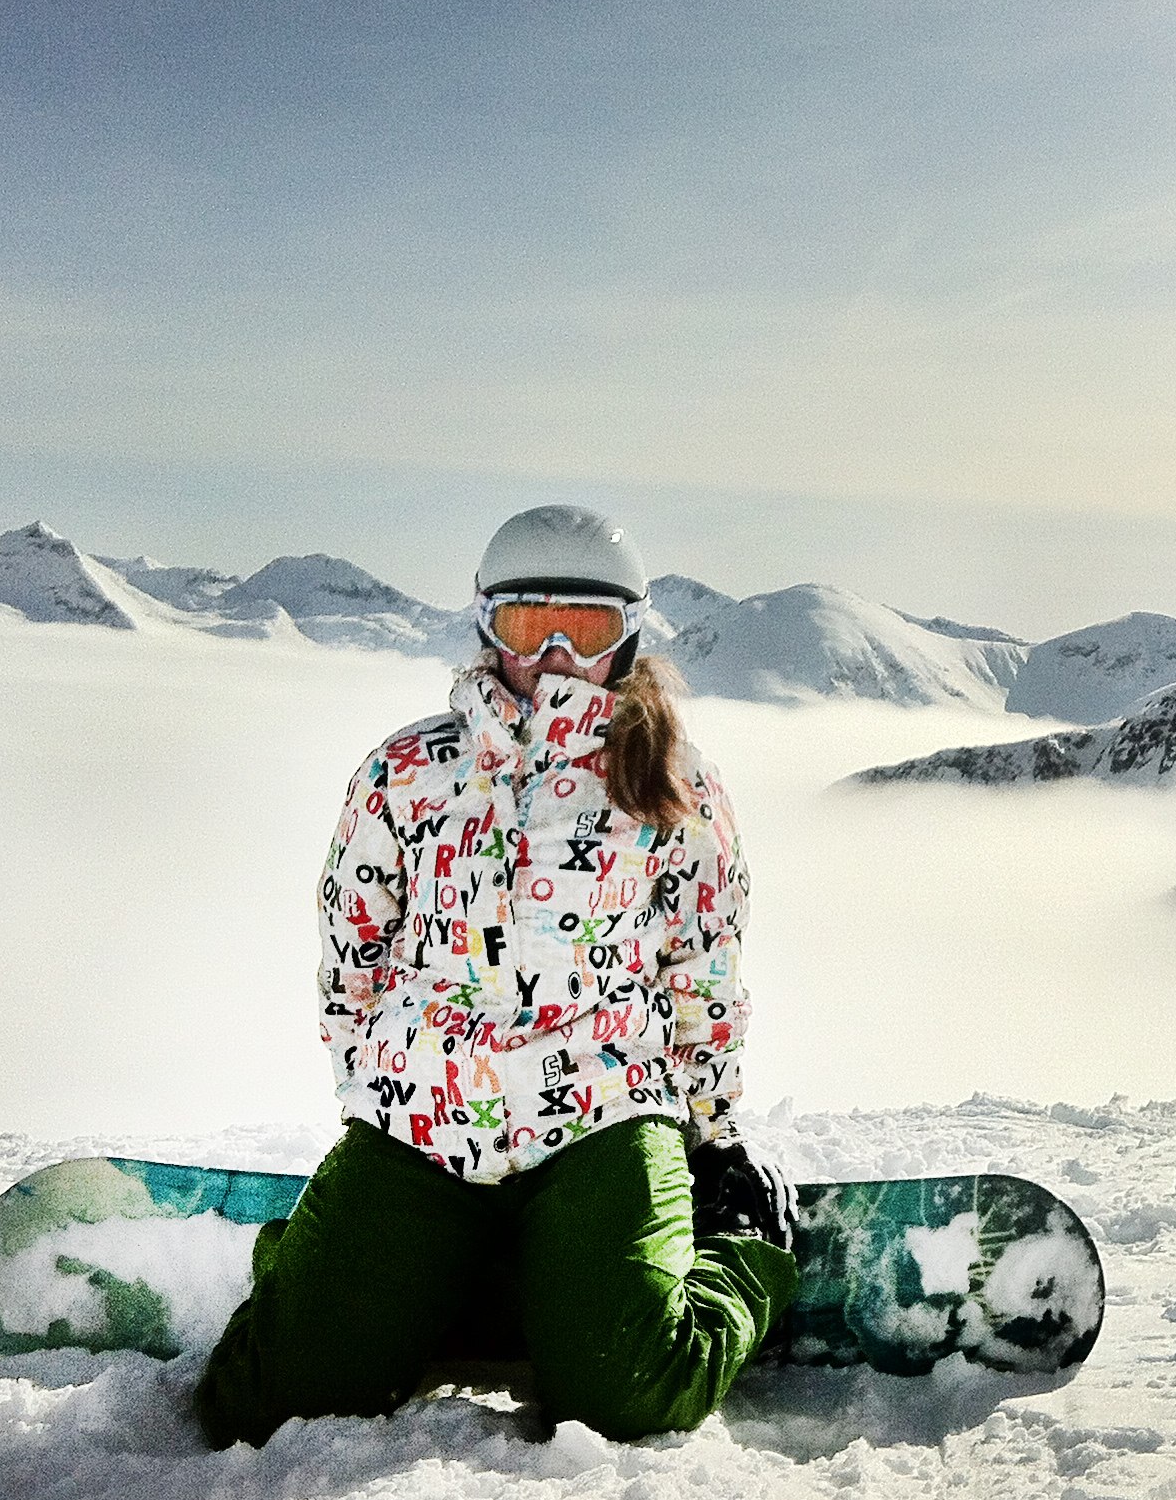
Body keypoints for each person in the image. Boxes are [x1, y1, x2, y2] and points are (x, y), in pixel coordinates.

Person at [195, 504, 798, 1448]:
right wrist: (372, 1085)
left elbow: (702, 967)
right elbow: (353, 948)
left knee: (631, 1393)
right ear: (486, 625)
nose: (554, 655)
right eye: (527, 625)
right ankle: (354, 1264)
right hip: (422, 1119)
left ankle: (740, 1251)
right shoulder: (407, 771)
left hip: (601, 1116)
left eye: (584, 628)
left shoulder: (677, 783)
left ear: (627, 636)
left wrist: (709, 1132)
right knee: (261, 1401)